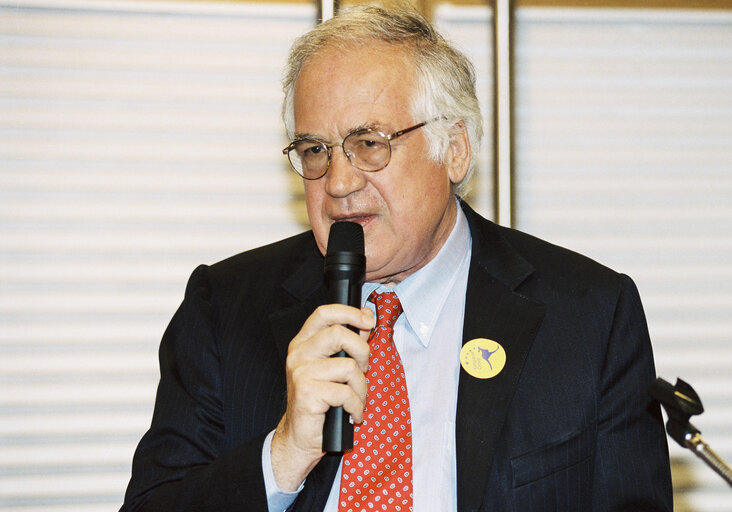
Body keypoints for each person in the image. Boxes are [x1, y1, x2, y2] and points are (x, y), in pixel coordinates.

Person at [121, 4, 672, 511]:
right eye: (315, 150)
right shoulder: (224, 307)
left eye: (369, 144)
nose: (337, 182)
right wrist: (282, 455)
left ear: (453, 149)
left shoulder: (590, 315)